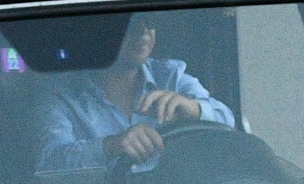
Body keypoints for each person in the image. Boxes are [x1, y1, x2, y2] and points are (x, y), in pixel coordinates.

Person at [35, 15, 233, 175]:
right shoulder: (59, 94)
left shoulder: (171, 76)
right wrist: (111, 146)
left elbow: (228, 122)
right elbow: (49, 162)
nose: (144, 31)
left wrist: (194, 109)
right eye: (129, 22)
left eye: (150, 21)